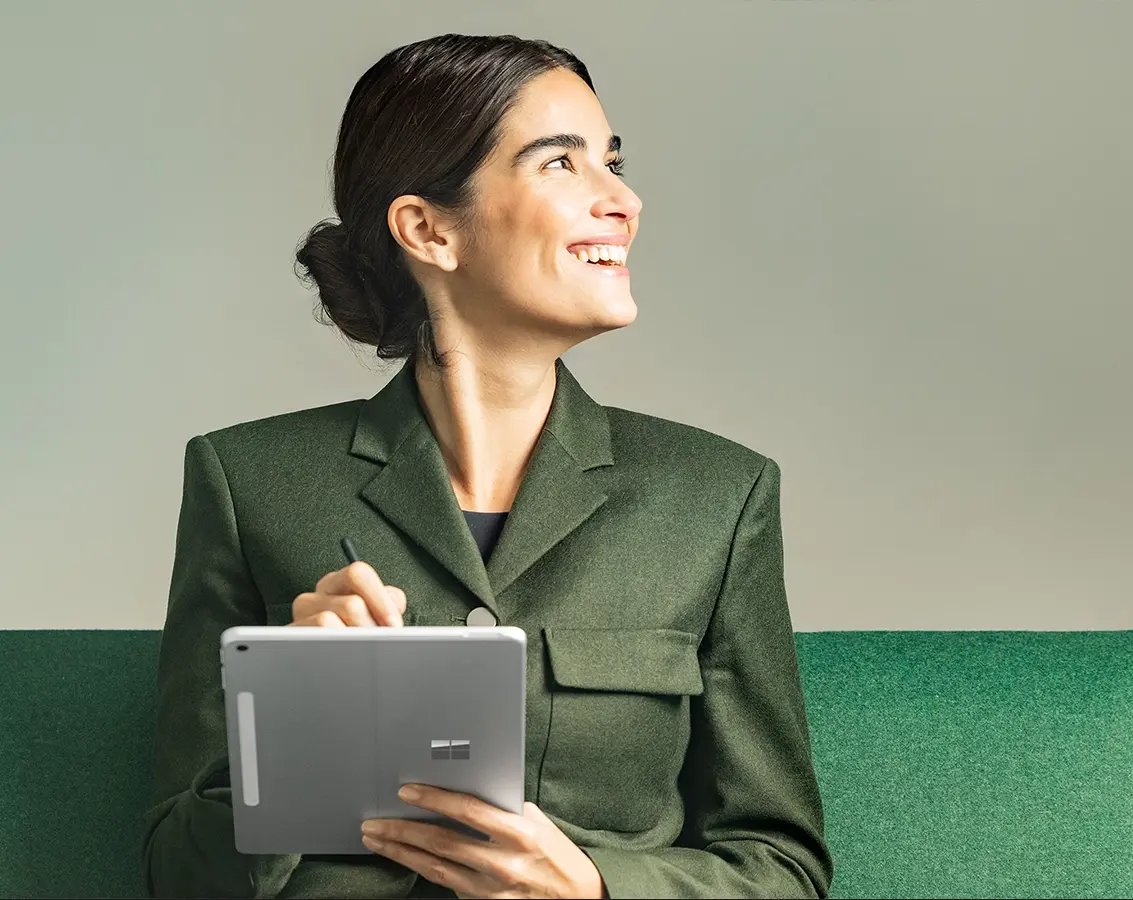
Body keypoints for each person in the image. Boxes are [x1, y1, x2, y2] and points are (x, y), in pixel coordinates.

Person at [140, 33, 834, 899]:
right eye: (560, 163)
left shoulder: (717, 497)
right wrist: (296, 726)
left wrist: (594, 886)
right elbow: (175, 870)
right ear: (429, 230)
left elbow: (783, 869)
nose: (624, 200)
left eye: (612, 162)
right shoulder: (245, 481)